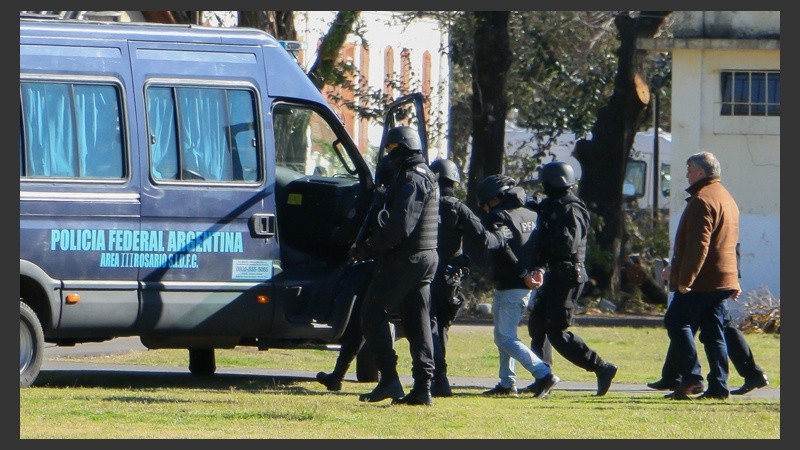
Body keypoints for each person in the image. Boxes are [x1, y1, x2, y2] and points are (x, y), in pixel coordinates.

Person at [352, 126, 439, 406]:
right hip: (425, 257)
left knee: (372, 312)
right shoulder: (425, 174)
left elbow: (400, 226)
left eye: (392, 149)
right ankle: (423, 387)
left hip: (406, 258)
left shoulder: (411, 178)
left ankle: (389, 378)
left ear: (404, 148)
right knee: (418, 322)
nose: (390, 156)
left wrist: (370, 247)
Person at [524, 161, 618, 396]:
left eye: (546, 183)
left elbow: (566, 245)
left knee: (557, 332)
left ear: (556, 182)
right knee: (538, 325)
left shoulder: (572, 209)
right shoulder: (552, 206)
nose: (543, 187)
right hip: (554, 274)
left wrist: (542, 236)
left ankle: (601, 367)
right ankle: (543, 376)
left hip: (567, 276)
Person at [427, 158, 513, 397]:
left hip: (422, 275)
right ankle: (439, 379)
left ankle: (435, 378)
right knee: (440, 327)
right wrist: (502, 236)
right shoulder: (457, 208)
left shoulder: (422, 204)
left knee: (429, 326)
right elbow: (484, 239)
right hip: (448, 278)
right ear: (454, 181)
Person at [660, 151, 741, 400]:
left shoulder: (702, 200)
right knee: (714, 332)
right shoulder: (726, 197)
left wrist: (685, 280)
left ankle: (692, 378)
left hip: (703, 280)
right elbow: (731, 244)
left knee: (676, 321)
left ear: (700, 172)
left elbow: (699, 246)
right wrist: (734, 278)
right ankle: (719, 385)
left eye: (689, 171)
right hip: (722, 278)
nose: (686, 176)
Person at [315, 155, 395, 392]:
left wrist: (357, 248)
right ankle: (339, 375)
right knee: (363, 323)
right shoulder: (400, 196)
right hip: (393, 266)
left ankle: (390, 379)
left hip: (380, 265)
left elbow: (355, 228)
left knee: (368, 320)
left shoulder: (380, 199)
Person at [477, 174, 560, 399]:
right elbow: (543, 246)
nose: (484, 208)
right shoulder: (532, 213)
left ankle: (543, 374)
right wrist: (539, 270)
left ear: (496, 198)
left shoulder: (498, 216)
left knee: (504, 337)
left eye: (485, 202)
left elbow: (504, 250)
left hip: (511, 283)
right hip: (527, 283)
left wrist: (523, 274)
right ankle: (507, 382)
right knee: (506, 334)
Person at [646, 261, 769, 396]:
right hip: (710, 278)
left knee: (685, 324)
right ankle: (675, 377)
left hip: (702, 280)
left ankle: (693, 379)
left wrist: (678, 269)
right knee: (700, 327)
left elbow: (705, 250)